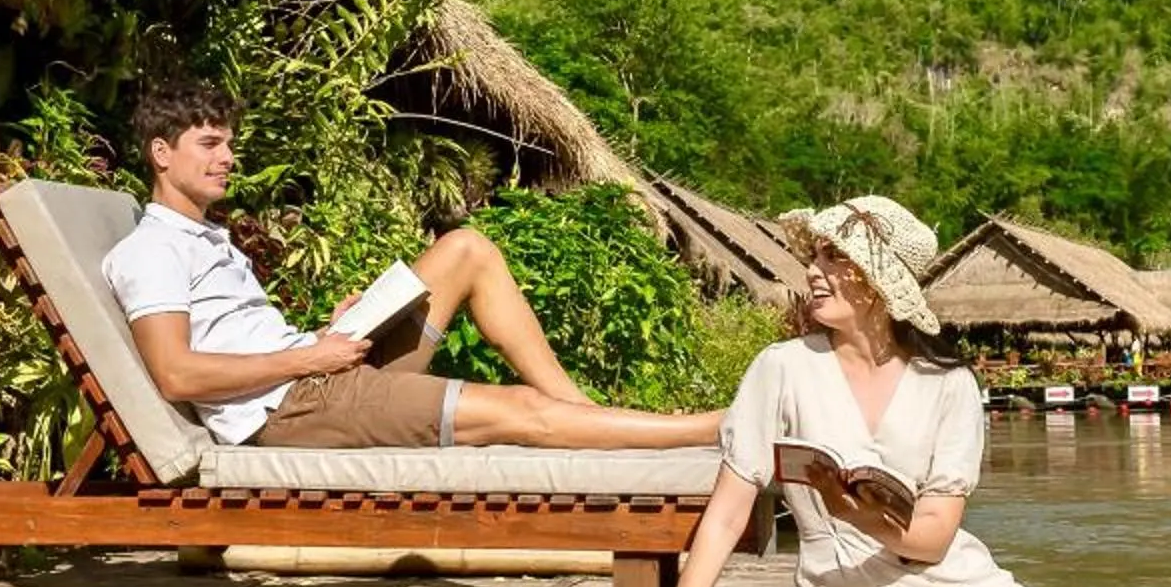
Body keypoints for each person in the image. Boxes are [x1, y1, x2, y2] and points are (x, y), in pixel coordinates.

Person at [575, 194, 1158, 587]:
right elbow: (723, 517)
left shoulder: (949, 384)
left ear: (881, 284)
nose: (814, 272)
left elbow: (934, 540)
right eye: (815, 256)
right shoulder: (783, 369)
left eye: (836, 258)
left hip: (954, 575)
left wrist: (859, 508)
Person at [102, 78, 719, 453]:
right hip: (293, 409)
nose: (228, 158)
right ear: (161, 153)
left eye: (230, 143)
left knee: (466, 250)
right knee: (519, 412)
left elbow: (238, 339)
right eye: (210, 145)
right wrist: (308, 358)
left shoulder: (206, 238)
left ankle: (580, 410)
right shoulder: (152, 249)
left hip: (311, 377)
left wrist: (322, 334)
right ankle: (704, 430)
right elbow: (177, 375)